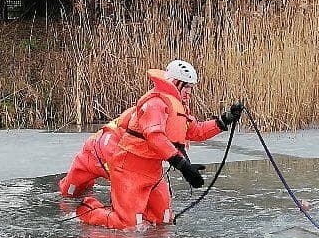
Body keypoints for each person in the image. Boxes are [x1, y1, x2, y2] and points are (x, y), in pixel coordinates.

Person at [76, 60, 244, 229]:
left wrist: (225, 119)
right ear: (175, 83)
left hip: (153, 170)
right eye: (186, 87)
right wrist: (183, 165)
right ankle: (89, 209)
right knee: (128, 224)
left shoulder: (178, 107)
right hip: (128, 168)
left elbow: (196, 131)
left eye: (191, 88)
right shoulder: (155, 103)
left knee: (163, 219)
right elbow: (154, 137)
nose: (188, 93)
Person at [58, 106, 135, 197]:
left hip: (112, 153)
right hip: (91, 156)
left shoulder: (143, 113)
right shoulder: (137, 114)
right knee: (69, 191)